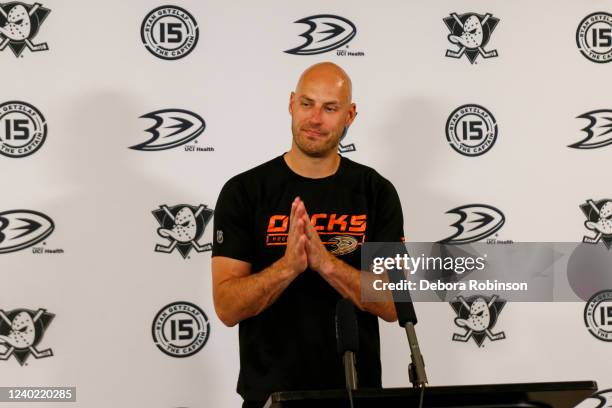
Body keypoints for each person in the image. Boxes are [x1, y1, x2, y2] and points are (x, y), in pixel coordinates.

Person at [211, 62, 405, 408]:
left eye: (330, 108)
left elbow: (394, 304)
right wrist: (287, 267)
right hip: (271, 398)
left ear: (350, 115)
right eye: (306, 103)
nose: (315, 119)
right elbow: (226, 307)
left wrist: (326, 264)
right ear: (290, 103)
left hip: (356, 396)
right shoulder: (244, 191)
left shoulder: (376, 192)